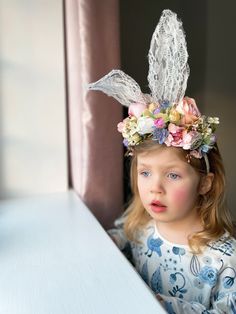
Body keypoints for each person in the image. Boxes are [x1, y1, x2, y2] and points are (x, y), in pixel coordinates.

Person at [88, 9, 236, 313]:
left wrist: (159, 305)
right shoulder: (138, 225)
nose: (154, 188)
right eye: (145, 173)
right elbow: (117, 238)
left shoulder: (224, 259)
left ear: (205, 183)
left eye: (172, 176)